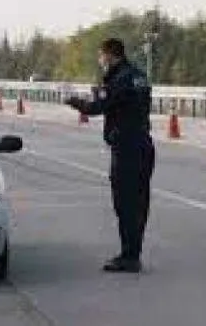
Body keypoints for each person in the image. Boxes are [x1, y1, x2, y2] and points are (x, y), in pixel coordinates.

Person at [64, 38, 155, 273]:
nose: (100, 61)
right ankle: (134, 252)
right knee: (139, 203)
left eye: (101, 56)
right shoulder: (139, 75)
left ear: (110, 55)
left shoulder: (120, 78)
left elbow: (96, 107)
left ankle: (129, 256)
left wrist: (72, 101)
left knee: (125, 204)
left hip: (126, 149)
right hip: (144, 144)